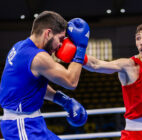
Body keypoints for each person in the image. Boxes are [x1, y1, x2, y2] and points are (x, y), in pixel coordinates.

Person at [0, 11, 90, 140]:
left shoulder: (20, 46)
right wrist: (81, 48)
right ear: (48, 33)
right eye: (60, 39)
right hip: (21, 126)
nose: (60, 45)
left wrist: (63, 100)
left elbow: (29, 85)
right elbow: (71, 81)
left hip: (32, 121)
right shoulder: (37, 57)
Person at [83, 23, 142, 140]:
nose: (141, 42)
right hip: (135, 134)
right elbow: (96, 65)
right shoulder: (130, 65)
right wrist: (76, 53)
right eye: (138, 38)